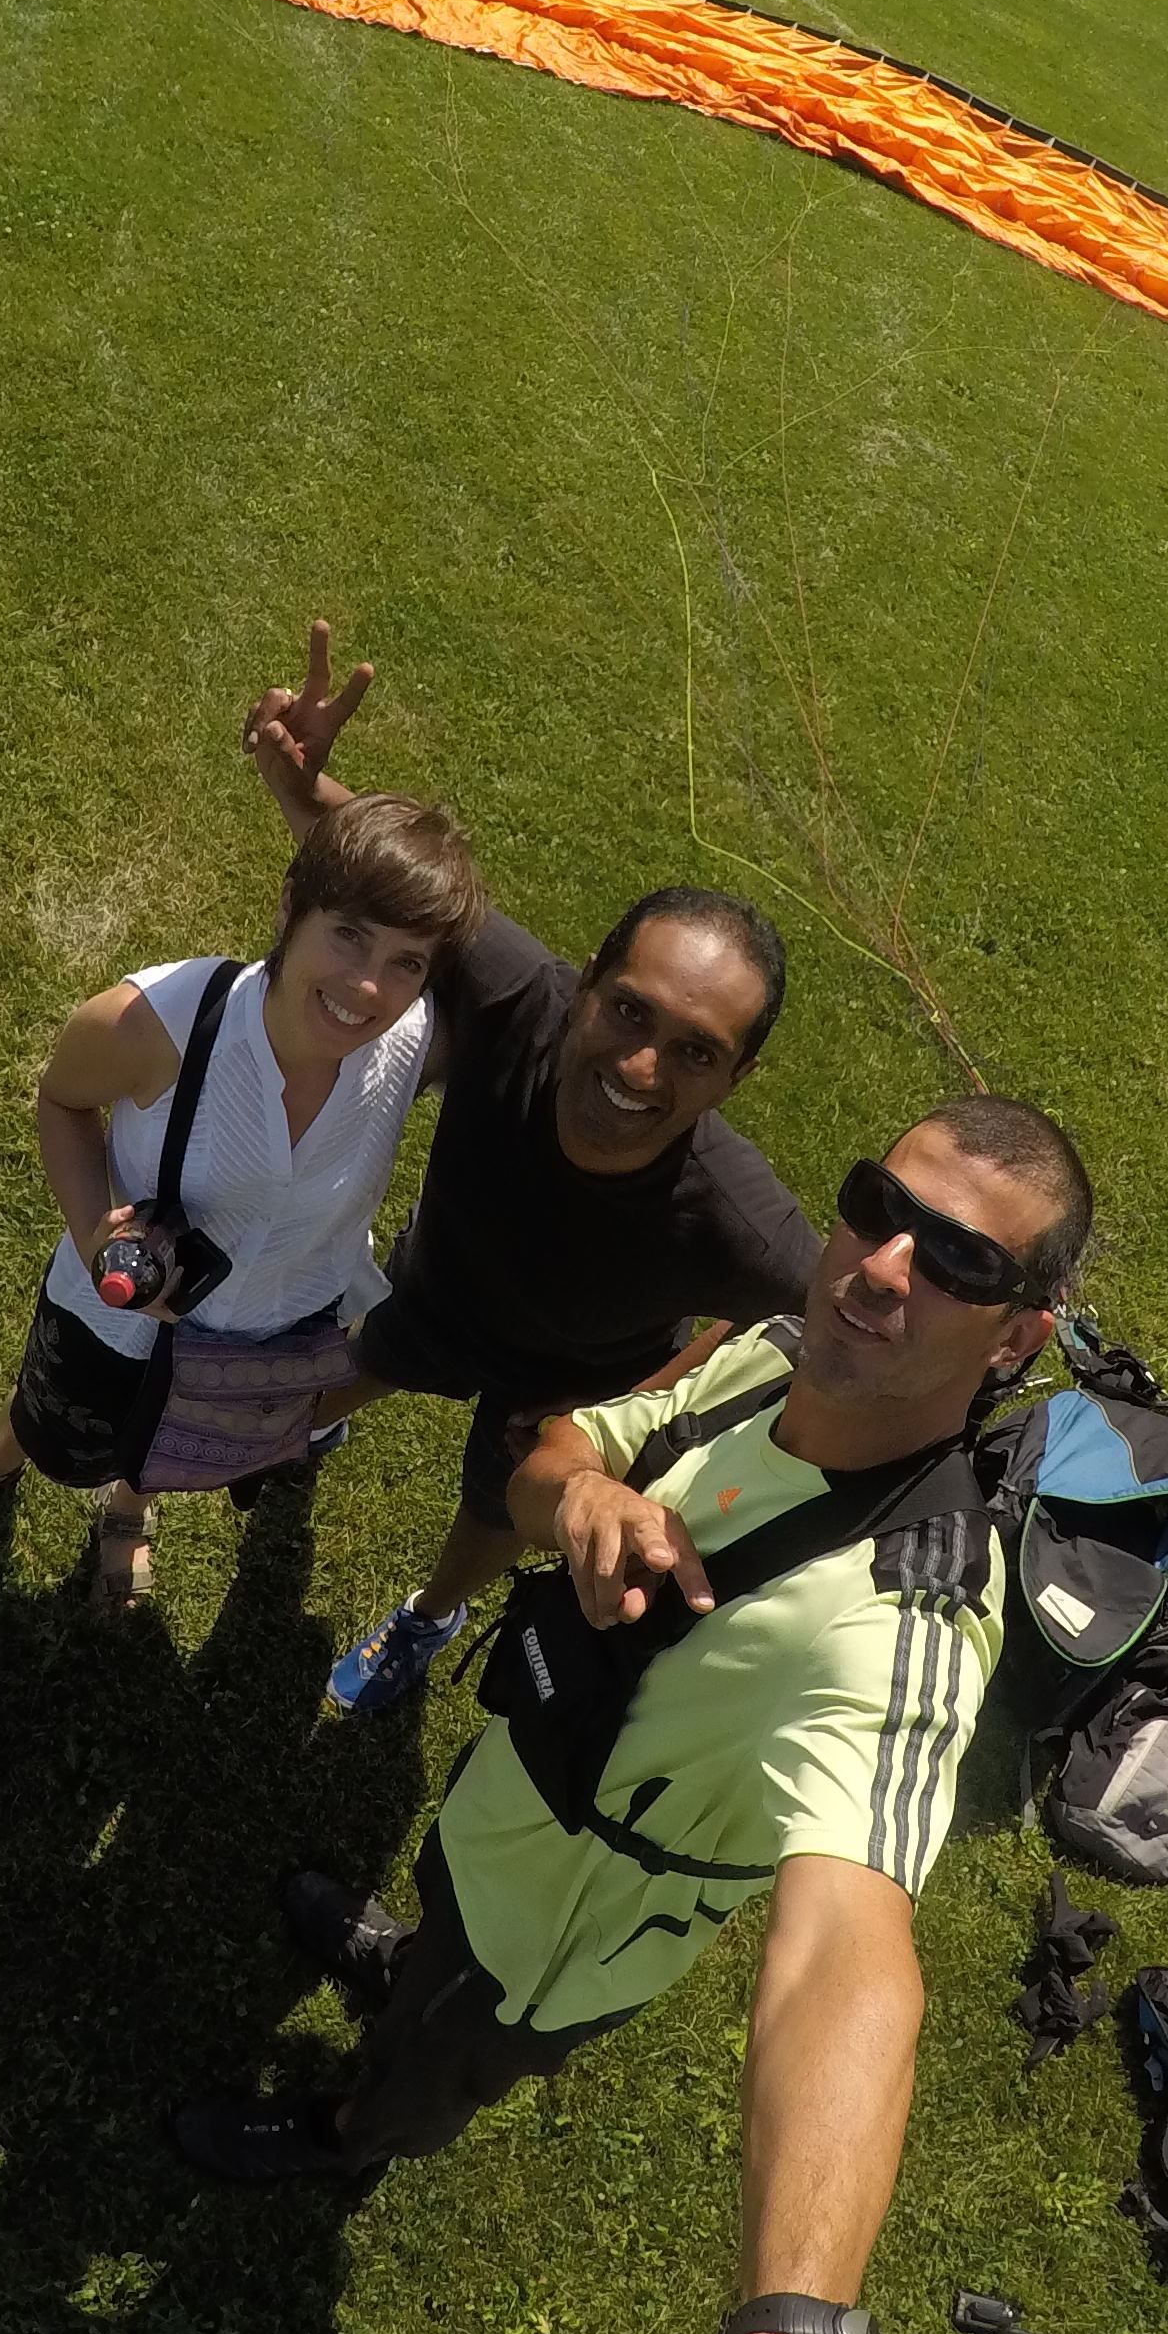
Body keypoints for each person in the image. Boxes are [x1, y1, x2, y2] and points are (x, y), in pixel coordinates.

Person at [171, 1095, 1090, 2334]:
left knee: (430, 2070)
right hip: (508, 1802)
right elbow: (555, 1452)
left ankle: (338, 2134)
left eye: (958, 1264)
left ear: (1018, 1337)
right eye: (879, 1209)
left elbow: (846, 1952)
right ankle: (400, 1958)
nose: (885, 1268)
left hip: (552, 1947)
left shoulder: (909, 1622)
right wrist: (582, 1498)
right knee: (437, 1926)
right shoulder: (777, 1351)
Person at [238, 624, 819, 1715]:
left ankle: (428, 1615)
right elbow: (391, 895)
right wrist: (296, 781)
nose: (640, 1068)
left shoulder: (742, 1223)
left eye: (695, 1052)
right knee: (326, 1383)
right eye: (628, 1011)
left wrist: (636, 1405)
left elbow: (820, 1321)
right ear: (585, 980)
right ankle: (313, 1428)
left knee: (491, 1515)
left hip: (558, 1387)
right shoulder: (513, 994)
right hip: (435, 1291)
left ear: (737, 1077)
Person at [0, 793, 483, 1607]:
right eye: (347, 934)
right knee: (58, 1419)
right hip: (119, 1317)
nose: (368, 986)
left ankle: (132, 1505)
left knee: (180, 1441)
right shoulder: (157, 1023)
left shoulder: (417, 1041)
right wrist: (99, 1238)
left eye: (407, 962)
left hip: (273, 1332)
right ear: (289, 907)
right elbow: (62, 1101)